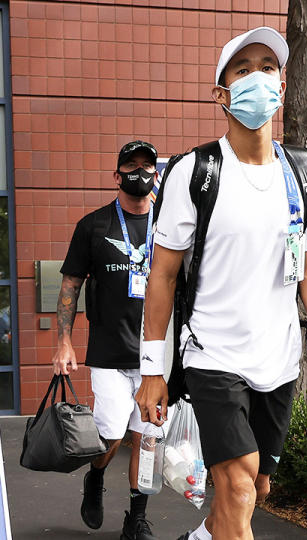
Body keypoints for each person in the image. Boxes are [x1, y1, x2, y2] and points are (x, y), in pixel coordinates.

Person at [134, 27, 307, 540]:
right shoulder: (196, 171)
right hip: (212, 356)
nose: (258, 78)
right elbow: (162, 277)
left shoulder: (303, 173)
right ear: (221, 93)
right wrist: (153, 370)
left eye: (267, 67)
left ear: (282, 87)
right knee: (237, 490)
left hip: (278, 360)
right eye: (243, 69)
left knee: (254, 491)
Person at [55, 140, 160, 540]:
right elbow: (70, 285)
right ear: (116, 176)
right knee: (113, 434)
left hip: (156, 360)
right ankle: (96, 478)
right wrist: (63, 342)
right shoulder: (94, 226)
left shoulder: (170, 224)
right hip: (109, 354)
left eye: (146, 166)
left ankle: (136, 521)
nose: (139, 173)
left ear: (156, 173)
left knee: (148, 439)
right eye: (130, 166)